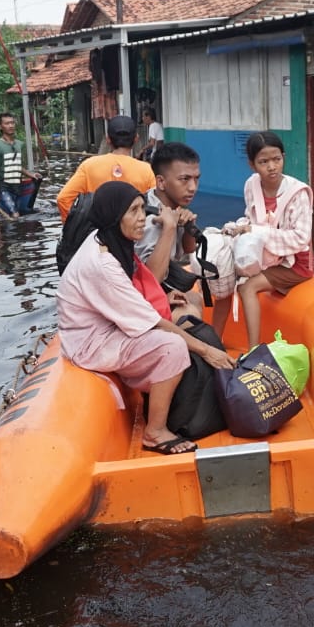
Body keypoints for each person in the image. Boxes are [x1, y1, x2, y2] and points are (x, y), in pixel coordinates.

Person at [56, 181, 234, 455]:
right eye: (133, 211)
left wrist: (164, 299)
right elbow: (151, 323)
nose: (144, 218)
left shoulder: (108, 240)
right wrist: (207, 351)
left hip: (106, 325)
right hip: (91, 342)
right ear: (114, 216)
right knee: (172, 346)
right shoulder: (102, 263)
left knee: (182, 321)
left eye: (142, 208)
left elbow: (139, 287)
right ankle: (155, 431)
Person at [232, 131, 314, 350]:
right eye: (264, 161)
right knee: (224, 273)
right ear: (252, 164)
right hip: (266, 258)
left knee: (247, 288)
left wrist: (257, 232)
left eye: (276, 159)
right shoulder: (251, 186)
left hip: (295, 264)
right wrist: (240, 228)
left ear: (283, 157)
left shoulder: (298, 193)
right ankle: (217, 340)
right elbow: (251, 218)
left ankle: (253, 349)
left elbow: (301, 238)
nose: (272, 167)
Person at [136, 142, 214, 322]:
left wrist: (188, 227)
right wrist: (170, 227)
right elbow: (152, 279)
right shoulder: (147, 219)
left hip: (149, 291)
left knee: (194, 298)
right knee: (187, 315)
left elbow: (188, 249)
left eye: (196, 178)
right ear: (161, 182)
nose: (193, 187)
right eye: (184, 179)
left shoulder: (165, 203)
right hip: (135, 300)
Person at [55, 115, 155, 221]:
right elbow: (157, 204)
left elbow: (63, 199)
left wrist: (76, 228)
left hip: (97, 232)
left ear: (108, 140)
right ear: (136, 139)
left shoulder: (89, 166)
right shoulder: (147, 170)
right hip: (134, 232)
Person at [0, 112, 40, 217]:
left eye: (12, 123)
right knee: (15, 214)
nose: (10, 126)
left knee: (18, 213)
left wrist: (31, 175)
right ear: (0, 126)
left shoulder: (19, 144)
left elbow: (17, 166)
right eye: (7, 123)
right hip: (4, 186)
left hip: (17, 186)